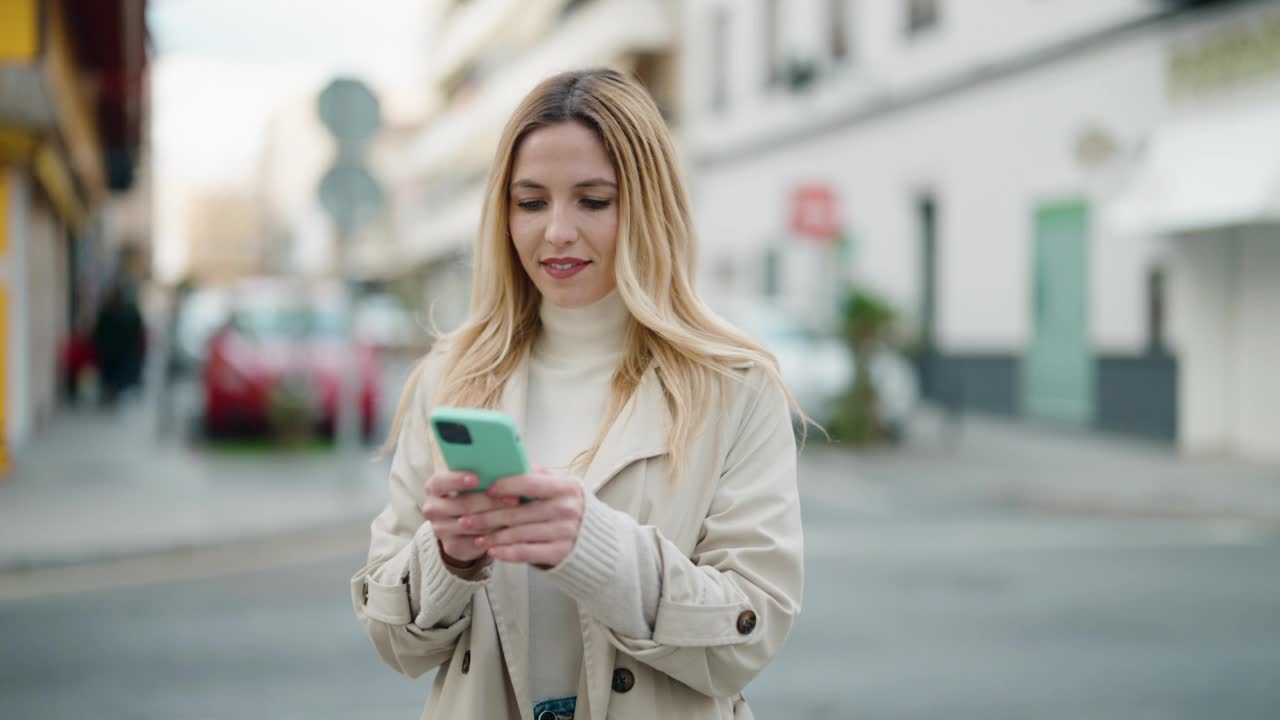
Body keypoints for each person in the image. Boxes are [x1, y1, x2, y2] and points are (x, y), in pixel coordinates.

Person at [352, 68, 808, 720]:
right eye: (531, 202)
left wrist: (592, 546)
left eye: (593, 201)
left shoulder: (735, 386)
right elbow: (395, 642)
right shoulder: (449, 379)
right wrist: (447, 556)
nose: (557, 231)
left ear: (649, 206)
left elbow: (752, 630)